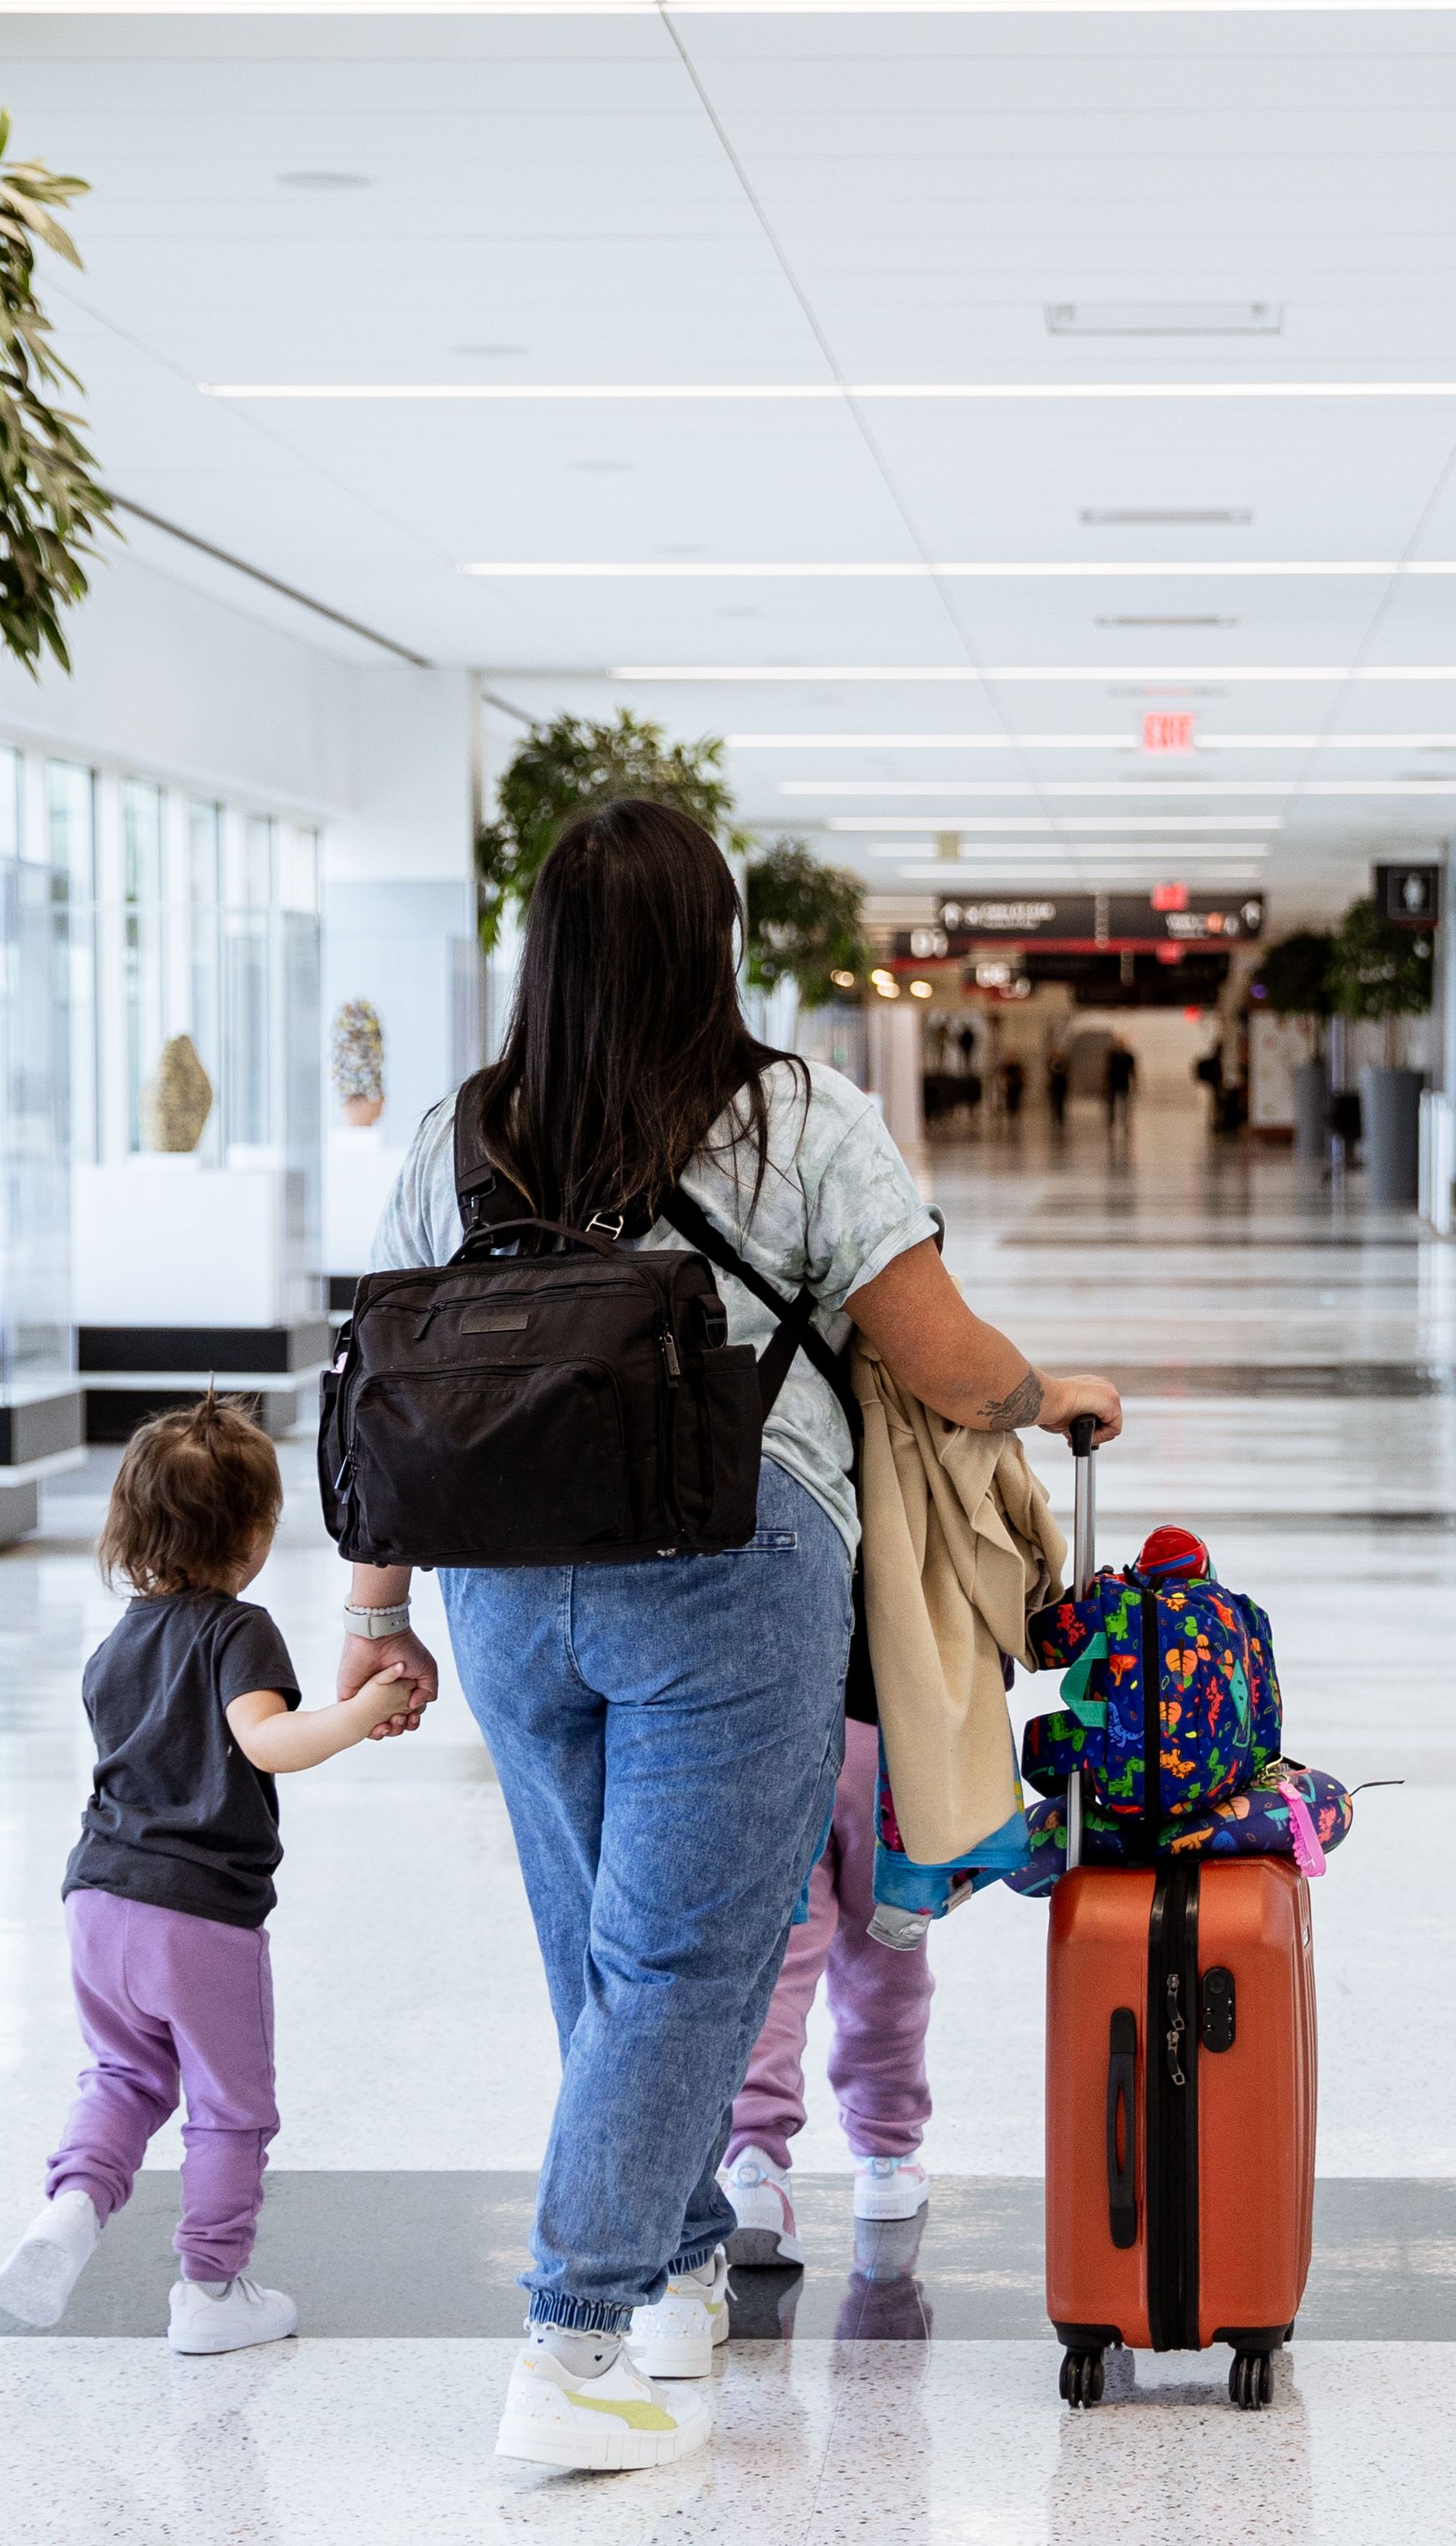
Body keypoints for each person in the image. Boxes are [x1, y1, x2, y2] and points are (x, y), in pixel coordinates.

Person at [349, 798, 1121, 2473]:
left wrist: (370, 1610)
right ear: (709, 943)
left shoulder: (458, 1136)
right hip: (725, 1568)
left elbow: (376, 1380)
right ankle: (567, 2331)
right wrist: (1037, 1391)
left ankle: (679, 2273)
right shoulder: (794, 1119)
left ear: (543, 949)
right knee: (683, 1958)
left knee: (602, 1952)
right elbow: (932, 1351)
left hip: (501, 1587)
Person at [0, 1399, 420, 2355]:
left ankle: (69, 2208)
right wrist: (364, 1710)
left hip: (96, 1898)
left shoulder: (115, 1647)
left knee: (123, 2072)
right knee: (229, 2105)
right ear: (257, 1531)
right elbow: (265, 1740)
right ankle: (211, 2289)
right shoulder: (239, 1631)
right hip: (196, 1917)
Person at [717, 1712, 932, 2271]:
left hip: (773, 1733)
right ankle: (886, 2157)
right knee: (887, 1959)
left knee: (775, 1968)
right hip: (890, 1736)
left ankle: (753, 2164)